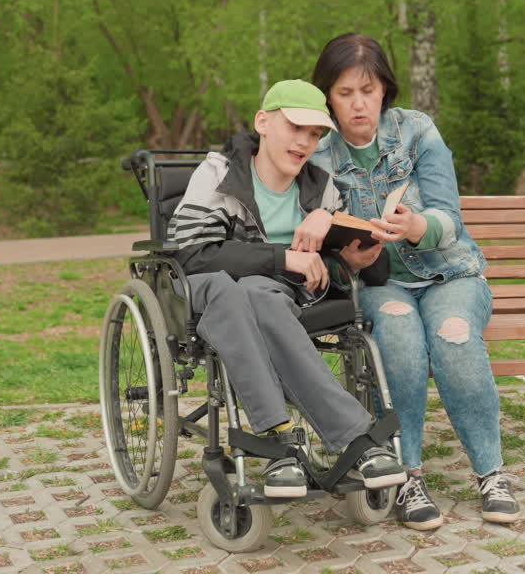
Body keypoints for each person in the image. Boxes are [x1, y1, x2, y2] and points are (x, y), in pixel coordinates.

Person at [307, 33, 520, 530]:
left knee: (454, 336)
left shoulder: (417, 132)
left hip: (449, 273)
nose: (359, 104)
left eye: (368, 89)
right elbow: (323, 245)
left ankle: (491, 473)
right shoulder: (320, 157)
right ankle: (407, 475)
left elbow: (451, 217)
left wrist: (419, 227)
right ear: (329, 99)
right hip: (383, 285)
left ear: (384, 89)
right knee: (399, 342)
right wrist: (351, 262)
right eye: (344, 93)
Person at [166, 78, 405, 499]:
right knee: (239, 290)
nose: (305, 142)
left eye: (315, 134)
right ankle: (353, 436)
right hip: (209, 289)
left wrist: (337, 234)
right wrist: (282, 258)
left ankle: (280, 444)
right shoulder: (220, 175)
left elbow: (375, 268)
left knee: (259, 292)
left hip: (279, 295)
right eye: (296, 128)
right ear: (263, 122)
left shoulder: (319, 188)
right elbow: (190, 254)